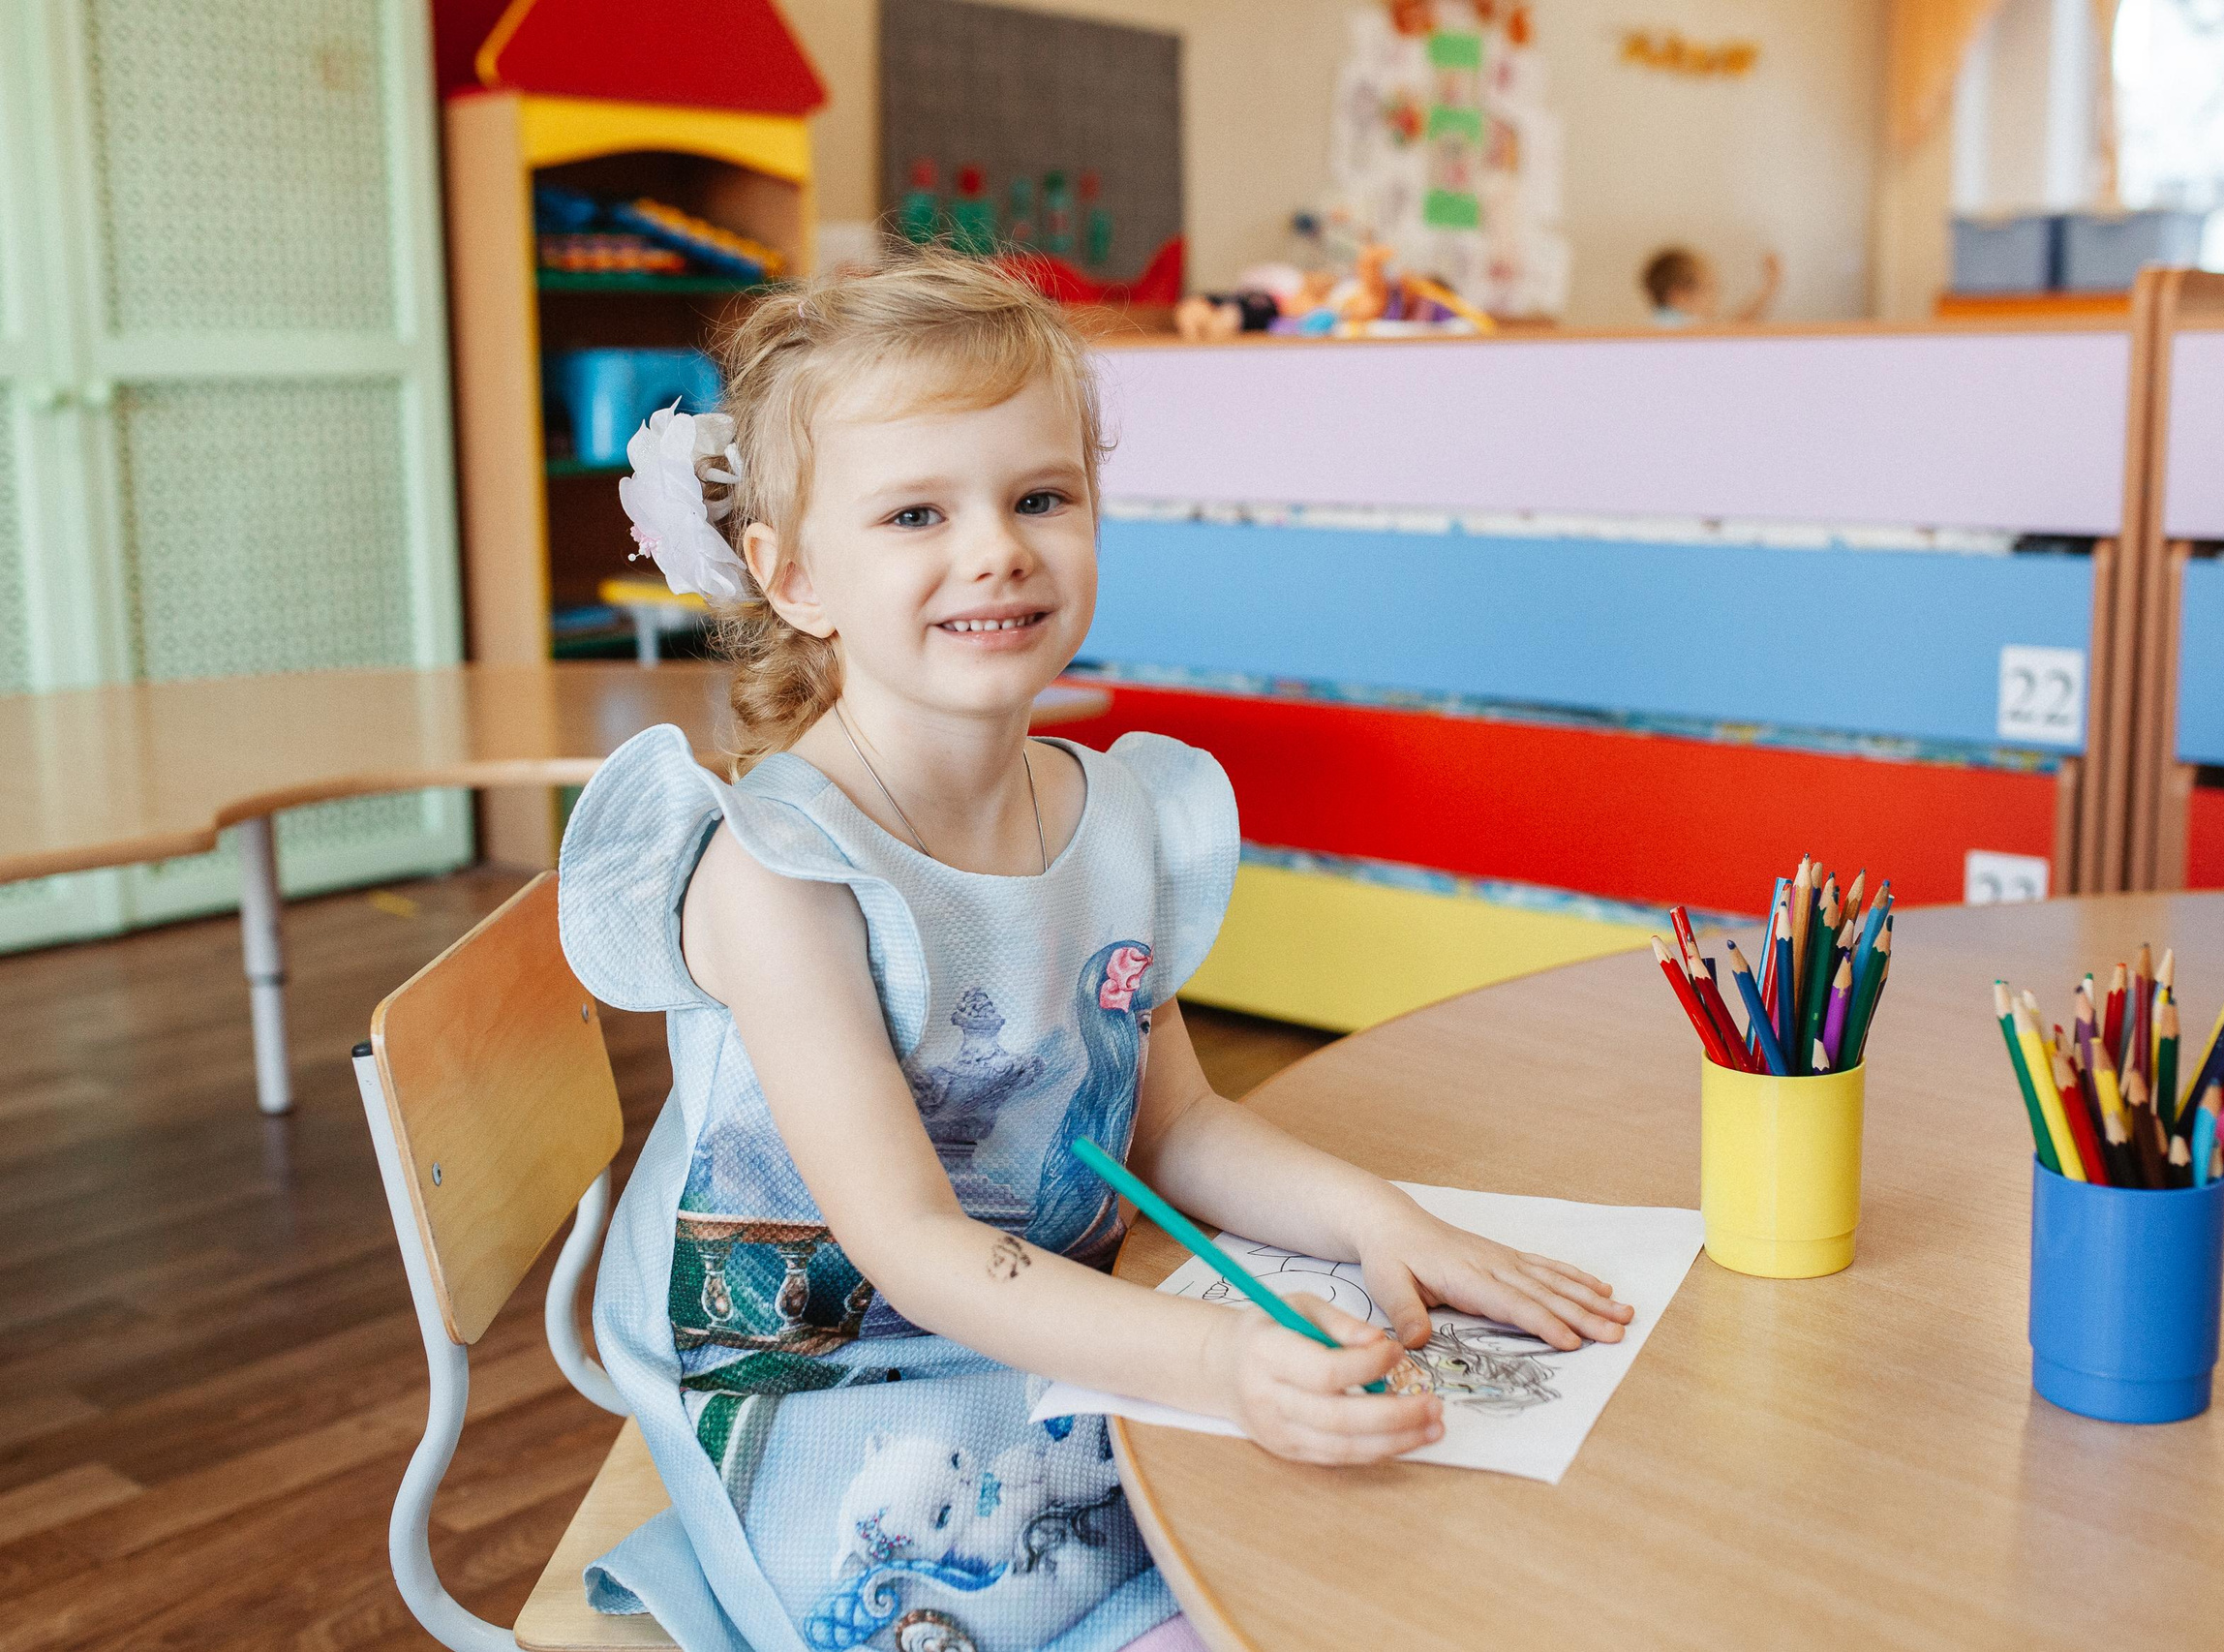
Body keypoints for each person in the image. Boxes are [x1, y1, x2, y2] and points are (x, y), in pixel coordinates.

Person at [564, 251, 1633, 1652]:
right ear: (795, 574)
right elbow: (913, 1247)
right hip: (838, 1371)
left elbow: (1175, 1123)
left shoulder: (1113, 812)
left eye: (1041, 497)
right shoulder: (780, 874)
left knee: (1351, 1547)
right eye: (916, 512)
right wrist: (1218, 1357)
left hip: (1070, 1312)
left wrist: (1385, 1222)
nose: (998, 547)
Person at [1641, 244, 1782, 326]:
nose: (1716, 296)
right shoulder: (1678, 328)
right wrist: (1770, 287)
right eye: (1709, 288)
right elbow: (1736, 328)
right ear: (1679, 296)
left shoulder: (1654, 324)